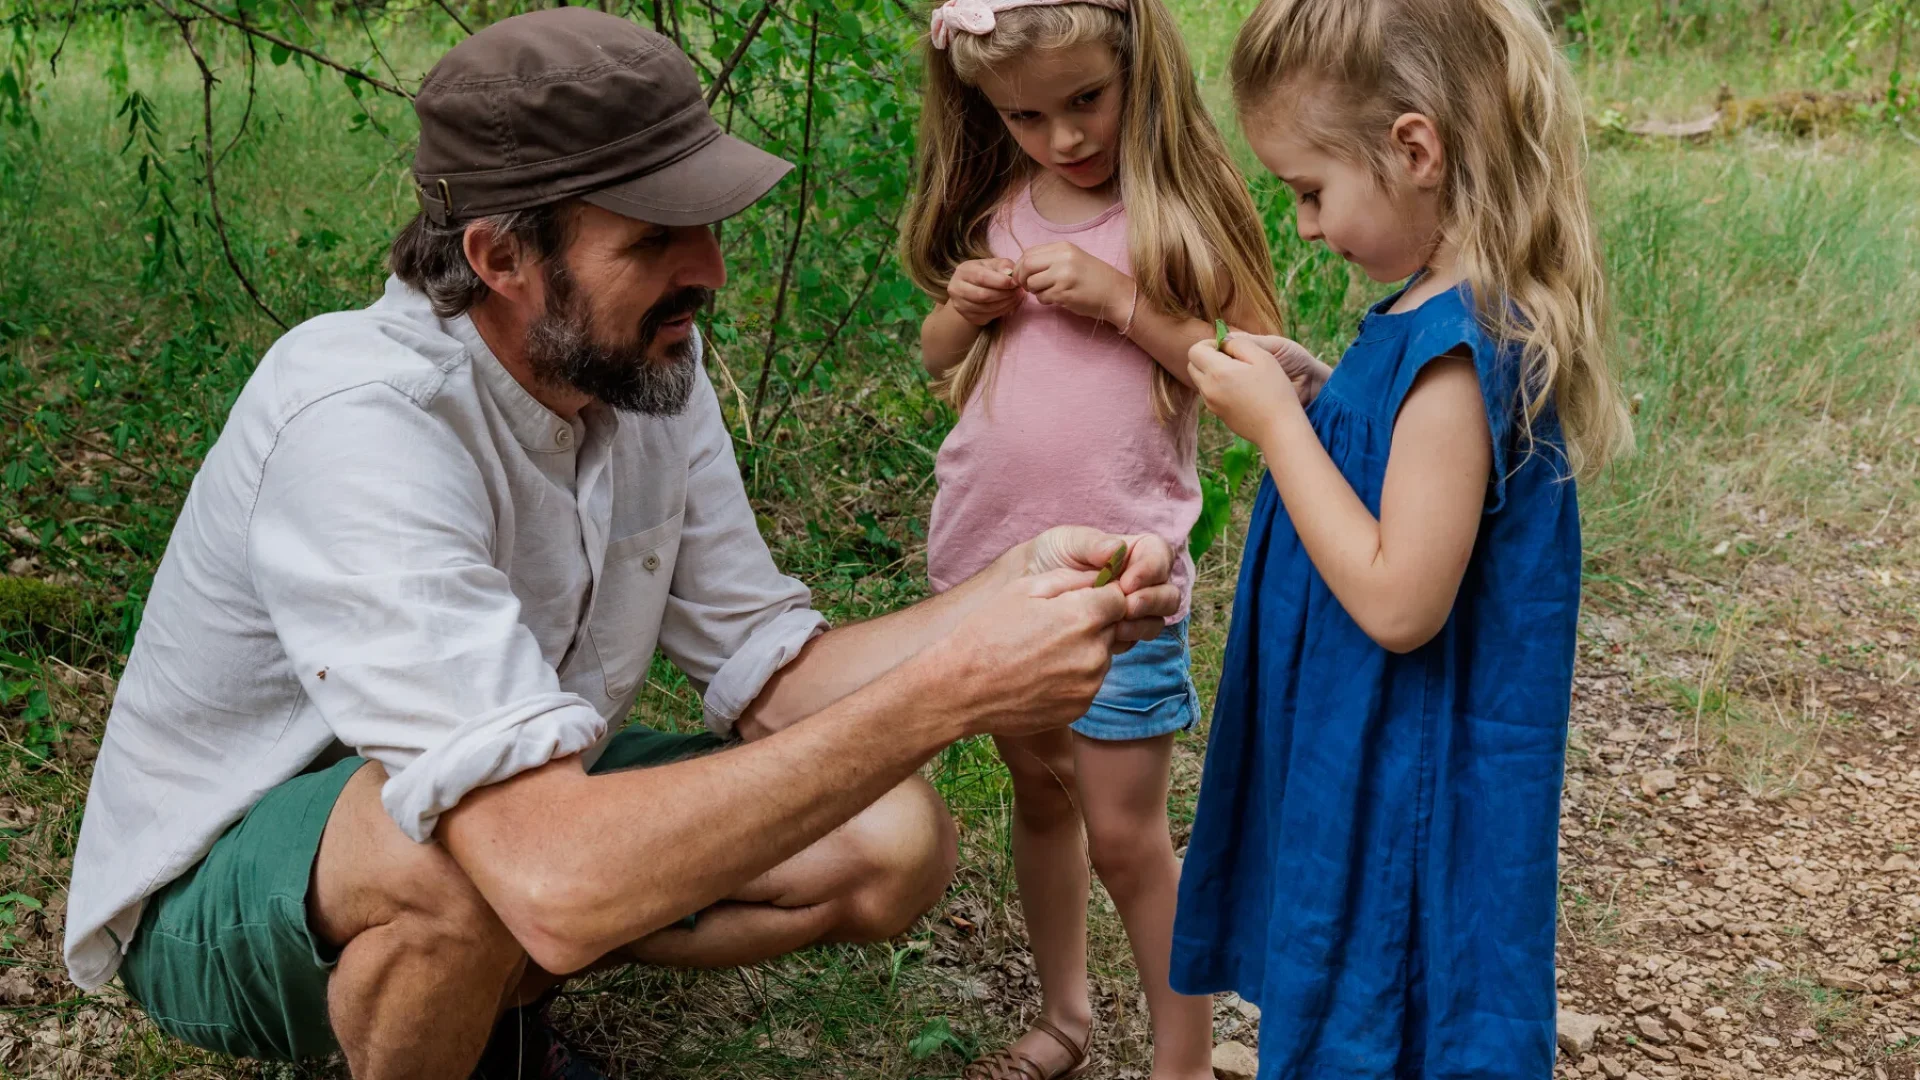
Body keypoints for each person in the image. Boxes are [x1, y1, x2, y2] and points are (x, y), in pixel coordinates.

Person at [60, 11, 1183, 1080]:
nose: (709, 268)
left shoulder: (639, 360)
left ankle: (488, 1005)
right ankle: (459, 992)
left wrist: (1004, 595)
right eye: (654, 238)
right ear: (501, 257)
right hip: (223, 888)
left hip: (518, 805)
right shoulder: (359, 421)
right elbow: (546, 874)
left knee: (890, 841)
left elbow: (768, 667)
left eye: (705, 223)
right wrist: (953, 689)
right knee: (462, 871)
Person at [1168, 0, 1634, 1074]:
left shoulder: (1456, 350)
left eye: (1309, 191)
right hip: (1367, 745)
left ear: (1413, 148)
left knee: (1380, 1005)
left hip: (1401, 775)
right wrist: (1330, 400)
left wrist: (1281, 430)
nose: (1305, 226)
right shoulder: (1433, 313)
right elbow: (1414, 479)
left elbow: (1398, 600)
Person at [902, 1, 1285, 1076]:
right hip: (989, 563)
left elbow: (1255, 360)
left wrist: (1123, 303)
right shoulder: (1002, 210)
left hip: (1122, 578)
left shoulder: (1172, 222)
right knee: (1040, 793)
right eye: (1028, 116)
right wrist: (966, 306)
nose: (1064, 137)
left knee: (1125, 831)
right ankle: (1065, 1016)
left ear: (1137, 68)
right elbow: (936, 352)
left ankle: (1183, 1058)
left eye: (1086, 100)